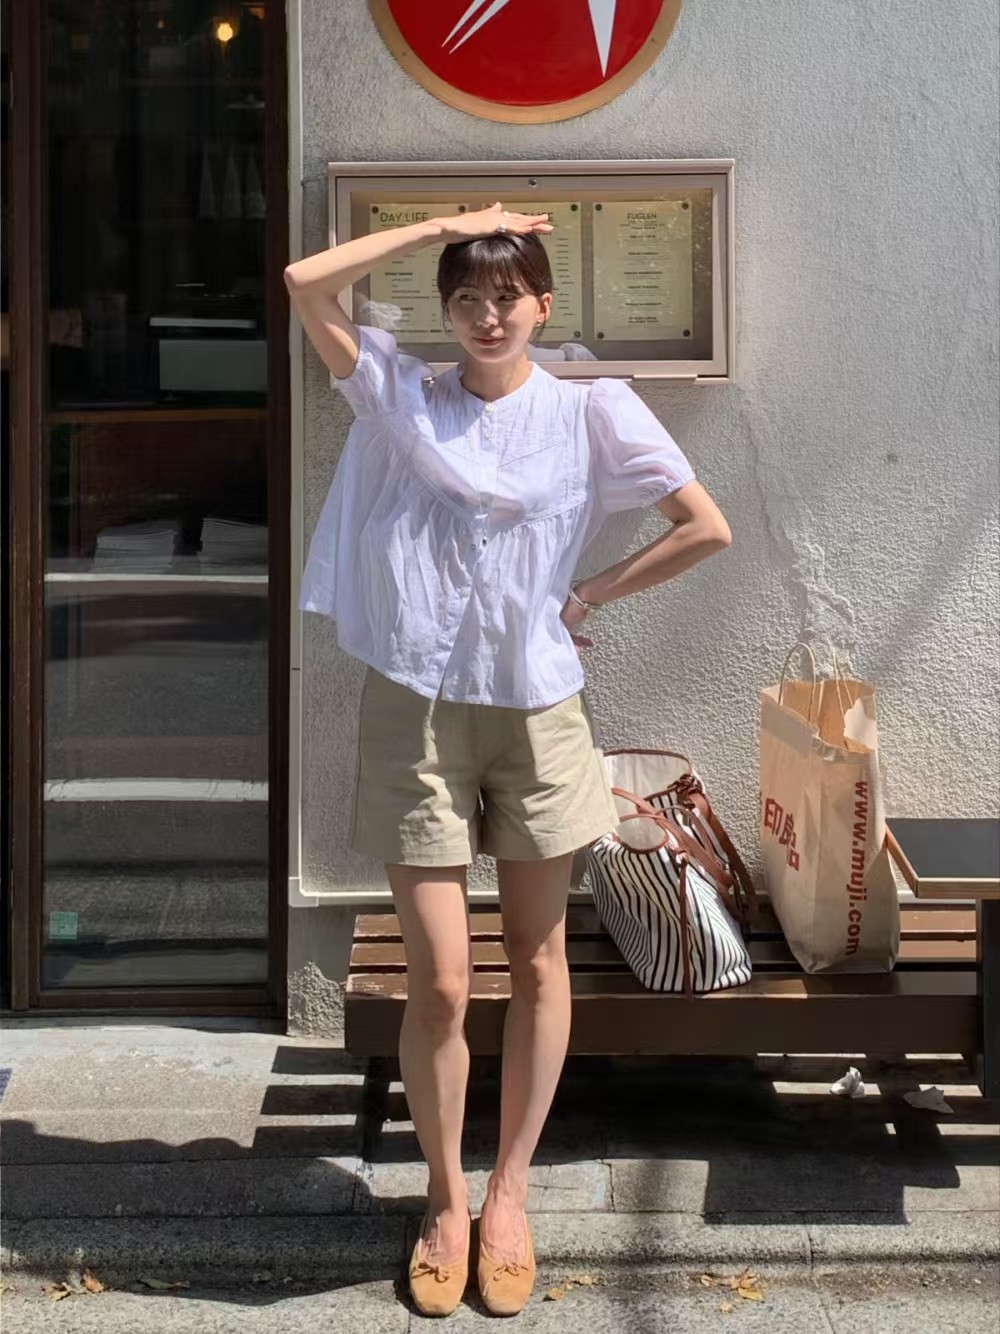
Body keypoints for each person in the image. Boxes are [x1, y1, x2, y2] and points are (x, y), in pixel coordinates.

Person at [284, 202, 731, 1317]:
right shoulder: (404, 397)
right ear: (446, 312)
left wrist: (588, 594)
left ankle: (509, 1195)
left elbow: (702, 525)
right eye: (467, 297)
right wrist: (445, 223)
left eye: (507, 296)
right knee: (440, 977)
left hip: (538, 710)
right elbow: (303, 282)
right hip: (415, 709)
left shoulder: (589, 409)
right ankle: (444, 1200)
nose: (488, 315)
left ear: (542, 305)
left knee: (536, 960)